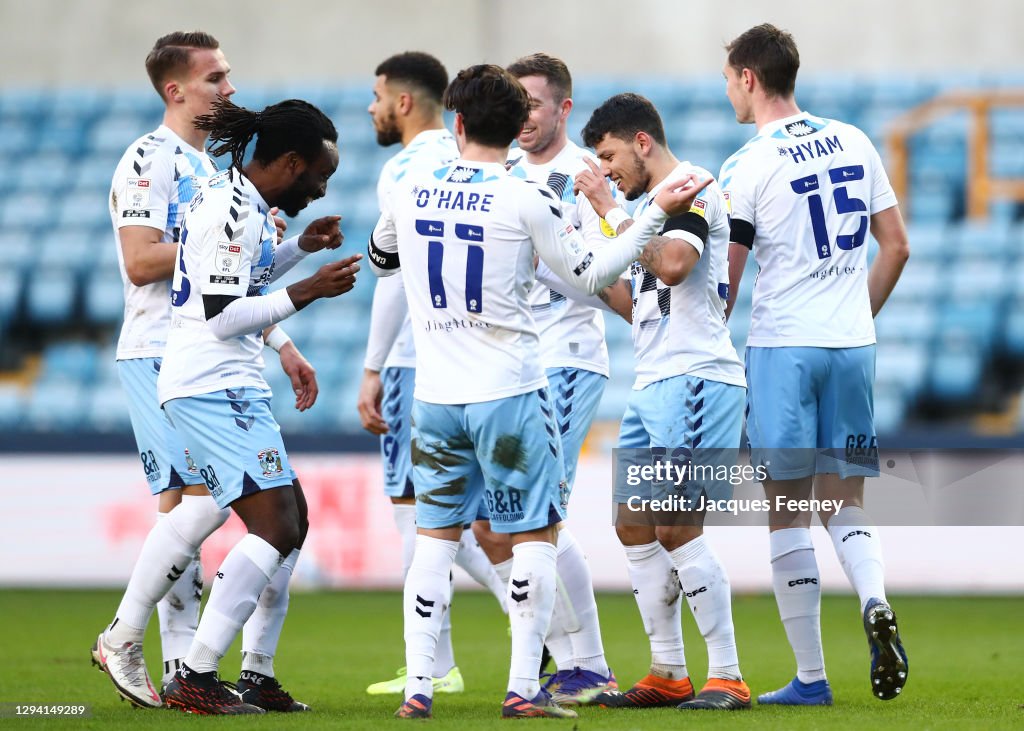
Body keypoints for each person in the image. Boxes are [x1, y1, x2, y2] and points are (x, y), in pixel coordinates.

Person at [368, 63, 708, 720]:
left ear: (457, 123)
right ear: (511, 127)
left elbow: (383, 256)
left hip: (435, 396)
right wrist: (652, 217)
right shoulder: (525, 198)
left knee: (435, 539)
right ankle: (524, 685)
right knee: (535, 536)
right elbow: (593, 270)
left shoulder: (410, 191)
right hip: (510, 390)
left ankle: (418, 686)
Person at [91, 30, 319, 711]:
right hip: (160, 346)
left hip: (212, 347)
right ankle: (154, 650)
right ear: (176, 89)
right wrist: (209, 235)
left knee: (214, 506)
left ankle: (181, 663)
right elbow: (139, 260)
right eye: (216, 77)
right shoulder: (149, 158)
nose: (230, 88)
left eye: (228, 74)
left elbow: (229, 279)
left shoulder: (212, 169)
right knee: (202, 505)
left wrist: (280, 340)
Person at [720, 23, 910, 705]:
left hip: (784, 350)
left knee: (789, 510)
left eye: (729, 79)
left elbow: (728, 282)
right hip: (852, 347)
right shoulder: (855, 139)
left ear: (748, 77)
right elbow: (897, 247)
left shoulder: (746, 165)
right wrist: (855, 319)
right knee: (844, 500)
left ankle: (810, 678)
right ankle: (876, 597)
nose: (729, 93)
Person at [157, 96, 362, 714]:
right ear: (292, 161)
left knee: (291, 522)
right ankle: (194, 675)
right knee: (275, 525)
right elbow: (224, 317)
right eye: (318, 176)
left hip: (227, 382)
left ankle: (257, 673)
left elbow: (243, 278)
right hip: (210, 381)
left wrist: (298, 248)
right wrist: (310, 290)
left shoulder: (236, 199)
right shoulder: (228, 208)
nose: (320, 188)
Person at [567, 93, 751, 711]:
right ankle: (668, 672)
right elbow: (636, 300)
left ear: (641, 141)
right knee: (634, 525)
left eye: (610, 154)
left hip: (697, 378)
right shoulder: (649, 206)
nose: (607, 167)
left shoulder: (691, 188)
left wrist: (611, 211)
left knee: (676, 525)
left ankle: (727, 675)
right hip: (652, 381)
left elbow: (673, 264)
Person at [357, 51, 508, 697]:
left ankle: (441, 662)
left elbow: (393, 278)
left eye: (377, 95)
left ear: (405, 101)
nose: (372, 107)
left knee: (417, 519)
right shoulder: (469, 161)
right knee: (459, 521)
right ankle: (540, 635)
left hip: (416, 364)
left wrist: (371, 367)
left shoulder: (405, 172)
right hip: (475, 363)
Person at [484, 52, 619, 705]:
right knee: (518, 517)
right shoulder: (505, 175)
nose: (524, 116)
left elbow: (610, 281)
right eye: (516, 103)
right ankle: (571, 655)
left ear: (564, 108)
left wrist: (547, 266)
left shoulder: (583, 177)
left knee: (539, 515)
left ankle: (585, 658)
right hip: (513, 365)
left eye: (535, 104)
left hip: (566, 355)